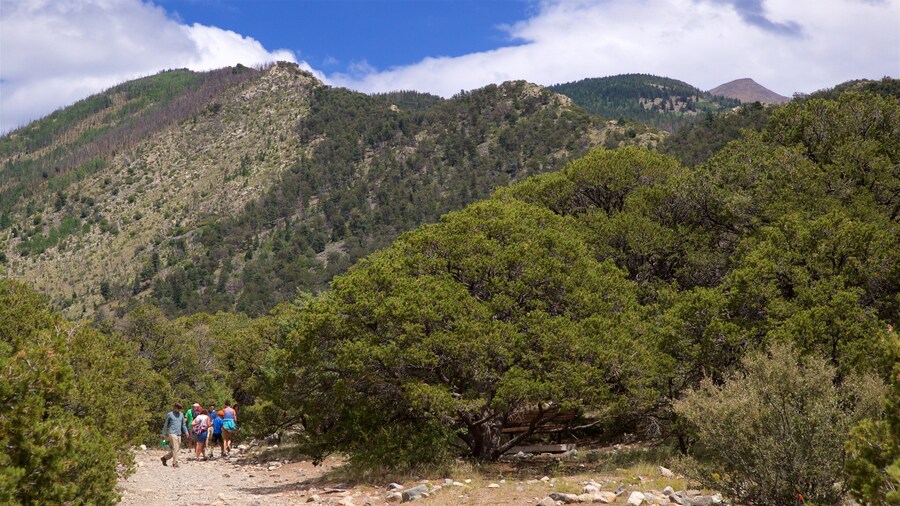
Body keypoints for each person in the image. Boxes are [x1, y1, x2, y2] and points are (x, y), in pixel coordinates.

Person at [161, 402, 188, 468]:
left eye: (180, 409)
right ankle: (175, 463)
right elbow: (166, 424)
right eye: (178, 408)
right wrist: (163, 434)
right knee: (175, 448)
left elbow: (183, 424)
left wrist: (186, 431)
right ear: (175, 407)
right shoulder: (170, 414)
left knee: (177, 449)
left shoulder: (181, 414)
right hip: (172, 433)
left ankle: (164, 458)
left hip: (179, 433)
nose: (178, 410)